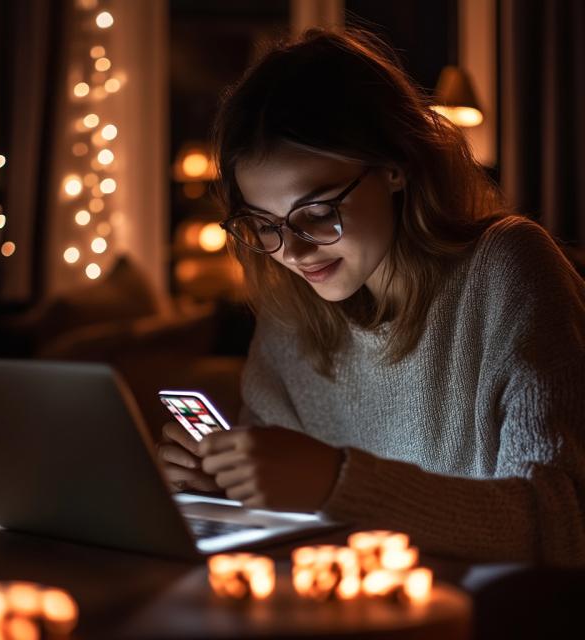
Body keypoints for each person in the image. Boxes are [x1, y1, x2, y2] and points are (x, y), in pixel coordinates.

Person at [158, 26, 585, 566]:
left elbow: (560, 523)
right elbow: (281, 525)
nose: (291, 251)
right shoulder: (290, 311)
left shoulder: (507, 268)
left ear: (395, 166)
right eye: (262, 224)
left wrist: (336, 481)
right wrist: (219, 484)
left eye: (316, 213)